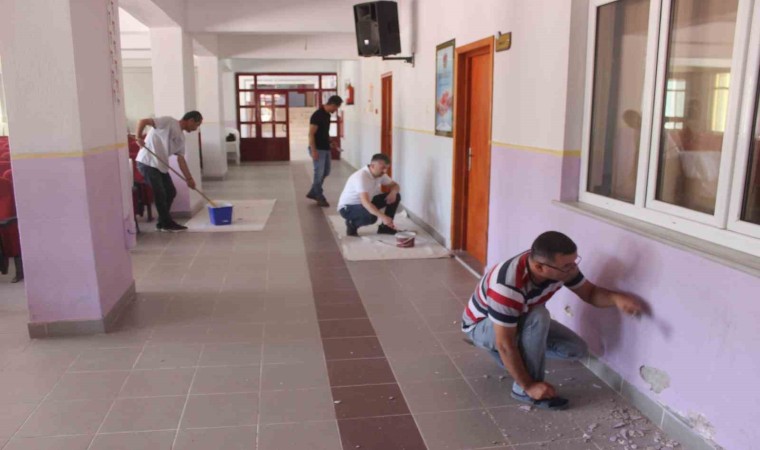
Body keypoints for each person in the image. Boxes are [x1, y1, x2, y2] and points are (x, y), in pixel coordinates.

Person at [461, 231, 643, 410]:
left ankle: (511, 359)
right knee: (538, 316)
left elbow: (590, 293)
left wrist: (617, 299)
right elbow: (505, 343)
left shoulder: (559, 269)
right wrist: (529, 384)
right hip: (481, 326)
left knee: (575, 349)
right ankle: (523, 391)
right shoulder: (507, 286)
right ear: (540, 267)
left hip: (517, 320)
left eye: (574, 262)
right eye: (566, 266)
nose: (572, 269)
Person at [135, 111, 203, 232]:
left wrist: (189, 179)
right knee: (160, 193)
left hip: (160, 166)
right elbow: (143, 121)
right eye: (196, 125)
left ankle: (162, 222)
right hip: (147, 162)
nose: (196, 128)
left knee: (171, 191)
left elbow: (181, 160)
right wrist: (138, 137)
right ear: (191, 120)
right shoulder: (168, 122)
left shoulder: (181, 139)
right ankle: (167, 223)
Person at [337, 153, 401, 236]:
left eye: (387, 168)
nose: (385, 171)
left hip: (365, 202)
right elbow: (365, 202)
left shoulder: (381, 174)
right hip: (348, 208)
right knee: (372, 217)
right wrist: (383, 217)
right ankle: (352, 224)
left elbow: (395, 185)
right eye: (382, 168)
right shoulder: (361, 176)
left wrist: (393, 192)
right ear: (372, 166)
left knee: (396, 196)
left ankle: (386, 228)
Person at [306, 95, 343, 207]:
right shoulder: (317, 115)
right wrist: (314, 150)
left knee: (326, 171)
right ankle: (319, 196)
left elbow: (324, 132)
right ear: (332, 104)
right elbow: (311, 134)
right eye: (336, 108)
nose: (336, 110)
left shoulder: (327, 115)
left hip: (325, 148)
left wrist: (331, 141)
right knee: (319, 173)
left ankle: (313, 192)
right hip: (318, 149)